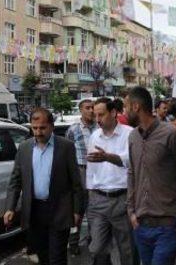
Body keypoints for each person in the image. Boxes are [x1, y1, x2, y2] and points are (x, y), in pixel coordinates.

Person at [126, 86, 176, 265]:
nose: (124, 111)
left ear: (136, 107)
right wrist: (131, 211)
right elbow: (132, 172)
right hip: (141, 225)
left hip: (168, 225)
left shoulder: (172, 134)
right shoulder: (133, 137)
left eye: (126, 106)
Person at [4, 108, 83, 265]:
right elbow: (15, 180)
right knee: (42, 255)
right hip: (34, 211)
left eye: (42, 128)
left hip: (59, 210)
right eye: (35, 128)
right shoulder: (25, 148)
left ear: (52, 126)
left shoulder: (66, 147)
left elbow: (76, 183)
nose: (38, 132)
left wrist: (76, 210)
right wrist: (10, 208)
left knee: (57, 258)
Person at [86, 98, 134, 265]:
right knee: (97, 248)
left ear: (113, 113)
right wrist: (91, 194)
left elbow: (132, 161)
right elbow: (91, 169)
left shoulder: (129, 134)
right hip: (99, 200)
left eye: (101, 114)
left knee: (127, 249)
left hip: (122, 198)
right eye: (95, 115)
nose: (97, 119)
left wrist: (108, 157)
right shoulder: (94, 136)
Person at [65, 99, 97, 255]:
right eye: (87, 108)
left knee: (94, 210)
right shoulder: (73, 129)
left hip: (96, 171)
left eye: (93, 108)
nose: (91, 110)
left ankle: (93, 241)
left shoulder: (99, 127)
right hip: (80, 171)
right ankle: (73, 243)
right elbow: (67, 152)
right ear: (81, 110)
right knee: (77, 209)